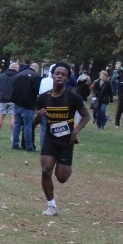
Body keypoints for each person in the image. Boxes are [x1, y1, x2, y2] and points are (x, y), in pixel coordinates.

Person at [34, 63, 89, 216]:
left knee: (62, 177)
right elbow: (33, 123)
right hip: (50, 139)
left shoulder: (73, 97)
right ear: (52, 75)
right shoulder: (43, 98)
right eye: (57, 73)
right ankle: (51, 206)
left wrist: (76, 131)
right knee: (46, 171)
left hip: (66, 142)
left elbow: (86, 116)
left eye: (63, 74)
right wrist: (38, 117)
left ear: (67, 78)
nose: (59, 76)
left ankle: (65, 166)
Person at [10, 63, 40, 151]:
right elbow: (37, 91)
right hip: (28, 104)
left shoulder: (19, 74)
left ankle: (15, 144)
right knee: (27, 126)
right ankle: (28, 146)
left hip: (17, 102)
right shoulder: (35, 76)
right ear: (37, 69)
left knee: (17, 124)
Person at [0, 62, 19, 140]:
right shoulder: (17, 77)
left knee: (1, 116)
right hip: (13, 100)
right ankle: (12, 136)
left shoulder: (2, 76)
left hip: (2, 99)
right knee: (13, 117)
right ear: (16, 68)